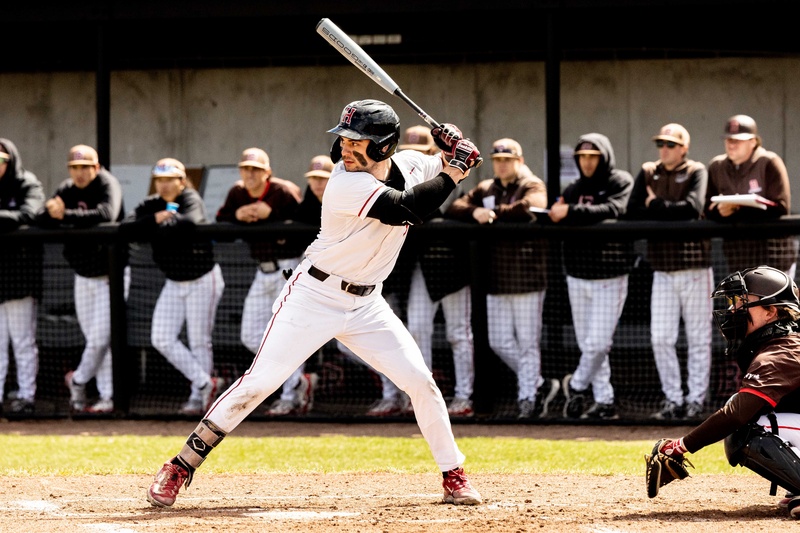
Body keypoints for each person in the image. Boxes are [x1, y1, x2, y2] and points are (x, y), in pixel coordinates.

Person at [147, 98, 483, 508]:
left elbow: (443, 166)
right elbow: (407, 207)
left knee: (420, 382)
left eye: (357, 141)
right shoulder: (344, 183)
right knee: (260, 383)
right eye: (344, 139)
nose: (345, 148)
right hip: (314, 297)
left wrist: (453, 145)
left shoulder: (411, 163)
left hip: (367, 305)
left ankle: (453, 473)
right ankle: (181, 465)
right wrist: (457, 167)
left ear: (383, 146)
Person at [648, 265, 800, 520]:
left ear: (771, 312)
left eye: (742, 302)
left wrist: (680, 446)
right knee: (754, 415)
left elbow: (736, 414)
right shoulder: (780, 344)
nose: (733, 310)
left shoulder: (780, 353)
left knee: (747, 428)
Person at [449, 137, 557, 419]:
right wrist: (475, 211)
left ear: (519, 161)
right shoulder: (487, 187)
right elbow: (455, 207)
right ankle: (539, 383)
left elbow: (531, 207)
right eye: (497, 160)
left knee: (528, 343)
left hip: (527, 280)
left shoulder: (532, 184)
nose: (502, 165)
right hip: (496, 280)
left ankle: (528, 399)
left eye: (507, 160)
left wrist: (493, 214)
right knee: (498, 341)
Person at [121, 158, 225, 415]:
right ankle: (205, 383)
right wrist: (156, 219)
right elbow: (126, 228)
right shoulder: (152, 204)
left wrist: (152, 229)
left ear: (181, 180)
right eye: (159, 180)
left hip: (202, 278)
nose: (164, 185)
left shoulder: (190, 198)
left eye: (169, 179)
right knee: (161, 338)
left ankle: (199, 398)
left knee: (199, 340)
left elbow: (188, 223)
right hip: (174, 282)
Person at [215, 148, 314, 417]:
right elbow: (220, 222)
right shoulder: (237, 193)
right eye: (245, 168)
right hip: (262, 270)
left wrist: (273, 214)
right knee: (250, 334)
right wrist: (237, 216)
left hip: (290, 267)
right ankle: (297, 380)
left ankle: (291, 395)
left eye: (256, 169)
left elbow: (308, 222)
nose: (249, 174)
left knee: (288, 332)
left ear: (267, 172)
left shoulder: (283, 191)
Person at [626, 124, 714, 421]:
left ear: (683, 148)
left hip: (694, 266)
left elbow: (692, 208)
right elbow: (632, 211)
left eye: (671, 144)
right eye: (661, 144)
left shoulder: (696, 171)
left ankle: (696, 399)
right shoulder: (648, 171)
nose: (664, 149)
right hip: (662, 267)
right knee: (661, 338)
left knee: (698, 338)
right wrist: (665, 209)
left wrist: (655, 204)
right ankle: (673, 399)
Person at [549, 133, 635, 420]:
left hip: (610, 275)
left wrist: (571, 211)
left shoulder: (619, 181)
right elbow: (561, 214)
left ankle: (575, 385)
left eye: (593, 156)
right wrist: (562, 212)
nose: (587, 162)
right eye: (582, 157)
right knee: (589, 345)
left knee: (598, 343)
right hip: (577, 275)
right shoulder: (573, 188)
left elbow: (615, 208)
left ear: (604, 157)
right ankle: (604, 400)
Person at [36, 144, 125, 414]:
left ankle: (77, 380)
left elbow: (107, 214)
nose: (80, 173)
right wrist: (52, 211)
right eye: (75, 168)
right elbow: (41, 218)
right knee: (96, 342)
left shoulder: (107, 183)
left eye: (85, 167)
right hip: (83, 276)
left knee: (99, 339)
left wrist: (66, 215)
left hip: (111, 276)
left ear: (96, 167)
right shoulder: (66, 189)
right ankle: (105, 397)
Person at [400, 125, 475, 418]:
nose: (415, 157)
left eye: (422, 152)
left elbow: (457, 207)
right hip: (423, 268)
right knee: (418, 328)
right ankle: (423, 397)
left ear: (433, 152)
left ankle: (465, 395)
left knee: (458, 333)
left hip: (453, 269)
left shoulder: (454, 176)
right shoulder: (404, 182)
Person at [705, 114, 795, 277]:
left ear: (753, 141)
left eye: (737, 140)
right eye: (728, 140)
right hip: (737, 258)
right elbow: (706, 209)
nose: (731, 145)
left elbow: (781, 208)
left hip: (773, 259)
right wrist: (720, 211)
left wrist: (737, 210)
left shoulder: (769, 162)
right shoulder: (717, 166)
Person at [0, 139, 44, 415]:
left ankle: (27, 396)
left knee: (22, 341)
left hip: (19, 276)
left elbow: (29, 213)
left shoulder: (27, 183)